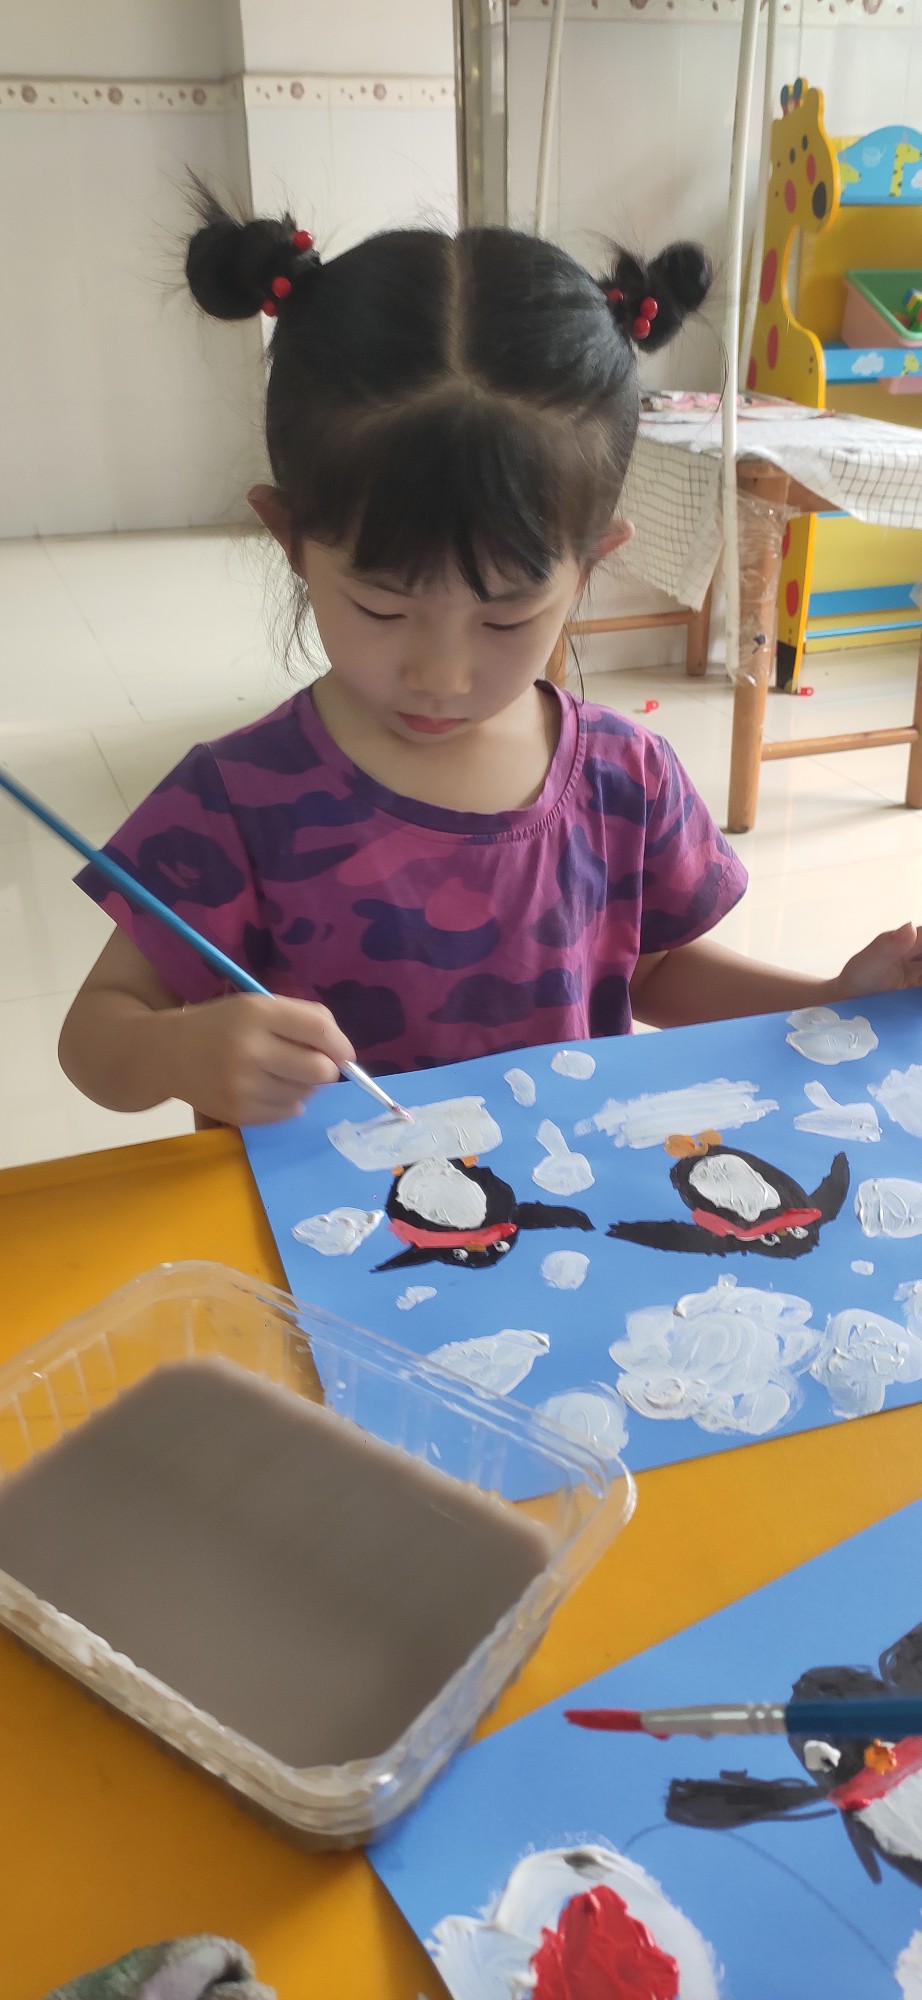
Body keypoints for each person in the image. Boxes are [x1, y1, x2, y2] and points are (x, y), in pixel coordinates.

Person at [60, 197, 922, 1128]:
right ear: (291, 539)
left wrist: (830, 1000)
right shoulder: (233, 801)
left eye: (506, 618)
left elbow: (657, 972)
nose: (441, 675)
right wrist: (181, 1051)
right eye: (384, 608)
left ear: (589, 565)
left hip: (561, 1195)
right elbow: (95, 1037)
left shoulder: (625, 778)